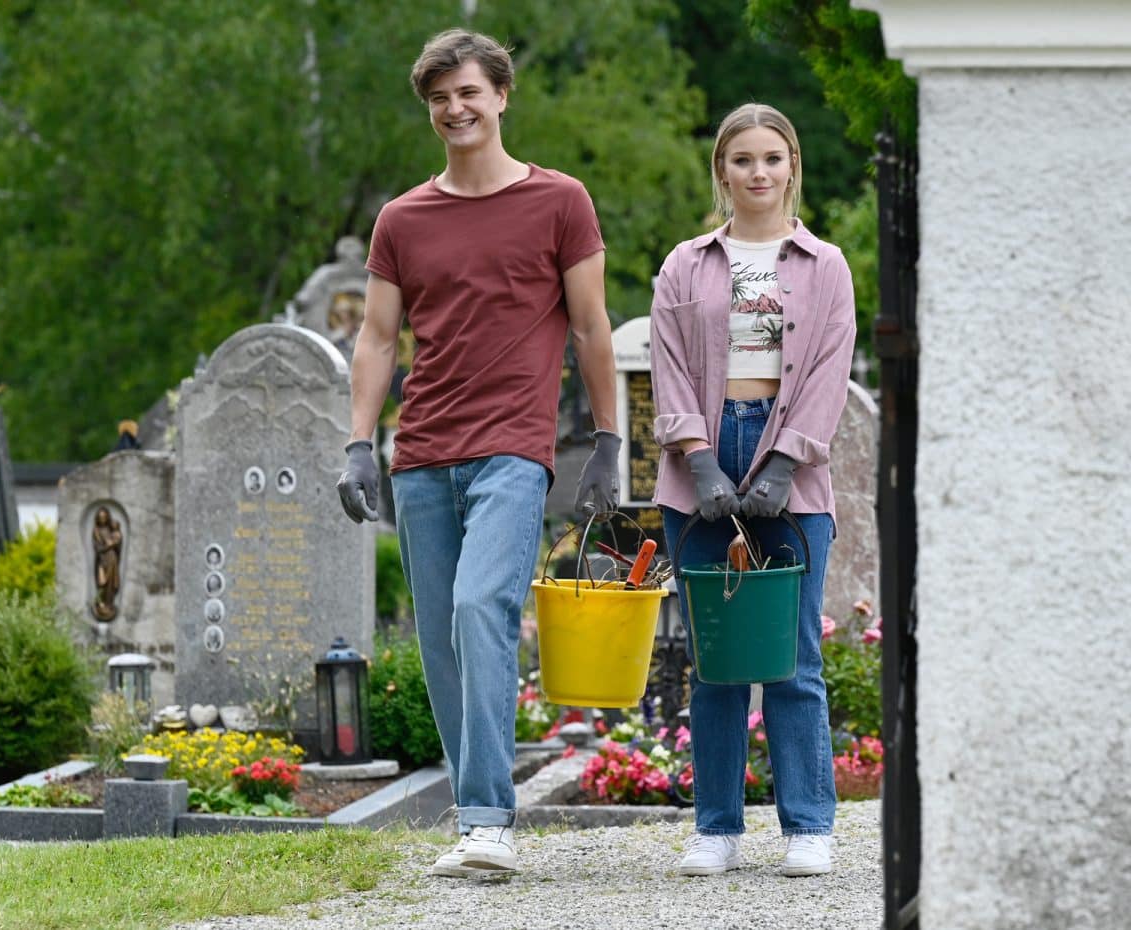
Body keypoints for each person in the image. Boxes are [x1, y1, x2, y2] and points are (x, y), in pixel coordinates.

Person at [335, 28, 620, 878]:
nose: (455, 109)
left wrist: (610, 441)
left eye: (468, 93)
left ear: (501, 96)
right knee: (439, 638)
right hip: (421, 452)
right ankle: (474, 816)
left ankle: (491, 816)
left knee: (480, 608)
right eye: (439, 99)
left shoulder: (560, 201)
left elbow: (592, 326)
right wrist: (359, 444)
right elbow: (378, 339)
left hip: (512, 448)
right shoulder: (402, 218)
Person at [649, 103, 855, 877]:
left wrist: (782, 464)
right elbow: (668, 364)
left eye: (772, 158)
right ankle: (716, 828)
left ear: (792, 167)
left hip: (789, 470)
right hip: (704, 456)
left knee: (793, 659)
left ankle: (808, 825)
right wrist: (699, 461)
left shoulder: (824, 265)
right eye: (743, 160)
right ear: (722, 170)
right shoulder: (686, 264)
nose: (758, 172)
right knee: (717, 659)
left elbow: (830, 371)